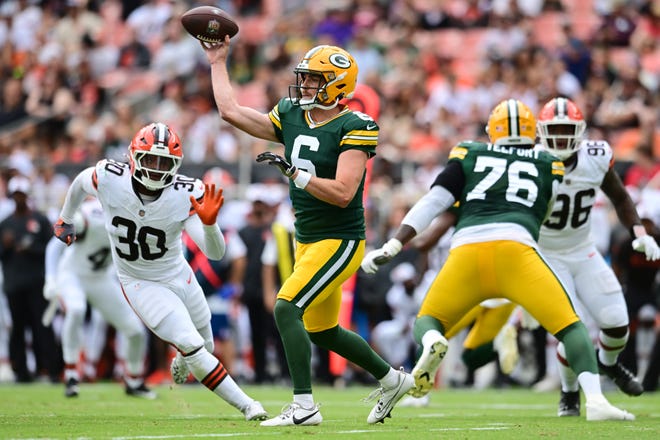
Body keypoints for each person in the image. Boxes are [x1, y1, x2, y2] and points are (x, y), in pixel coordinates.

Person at [362, 99, 635, 421]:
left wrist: (395, 242)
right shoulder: (549, 162)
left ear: (492, 131)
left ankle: (435, 341)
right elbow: (545, 213)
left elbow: (435, 201)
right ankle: (597, 402)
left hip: (467, 252)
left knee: (428, 321)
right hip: (517, 253)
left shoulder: (470, 154)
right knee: (571, 327)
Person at [202, 39, 414, 426]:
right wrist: (218, 61)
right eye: (304, 78)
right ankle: (392, 379)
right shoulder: (292, 114)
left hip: (341, 240)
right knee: (323, 331)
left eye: (314, 80)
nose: (304, 86)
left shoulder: (356, 125)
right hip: (307, 239)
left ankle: (304, 405)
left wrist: (294, 172)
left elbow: (343, 192)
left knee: (286, 307)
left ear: (336, 85)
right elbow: (229, 111)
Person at [52, 122, 267, 421]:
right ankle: (248, 405)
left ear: (175, 165)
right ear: (133, 157)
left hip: (178, 273)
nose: (155, 168)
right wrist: (66, 218)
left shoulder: (184, 191)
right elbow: (79, 182)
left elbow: (216, 253)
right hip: (140, 281)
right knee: (195, 346)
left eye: (163, 162)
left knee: (206, 345)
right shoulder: (110, 177)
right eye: (150, 159)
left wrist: (210, 225)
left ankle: (183, 355)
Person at [535, 97, 660, 416]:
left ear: (580, 131)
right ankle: (569, 392)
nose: (561, 137)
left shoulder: (595, 156)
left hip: (583, 249)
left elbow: (620, 197)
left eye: (567, 130)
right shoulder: (532, 161)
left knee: (617, 323)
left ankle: (608, 364)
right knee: (572, 327)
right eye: (555, 130)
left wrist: (639, 234)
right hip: (547, 254)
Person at [44, 197, 154, 398]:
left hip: (100, 278)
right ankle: (71, 375)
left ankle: (134, 380)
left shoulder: (138, 219)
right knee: (76, 310)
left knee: (135, 331)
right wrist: (50, 279)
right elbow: (55, 246)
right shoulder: (91, 214)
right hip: (72, 274)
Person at [0, 176, 61, 383]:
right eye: (15, 195)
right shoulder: (5, 223)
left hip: (37, 283)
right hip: (14, 284)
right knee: (17, 328)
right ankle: (21, 371)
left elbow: (51, 249)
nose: (18, 199)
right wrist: (6, 246)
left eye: (21, 195)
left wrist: (30, 249)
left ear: (27, 196)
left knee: (42, 326)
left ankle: (50, 369)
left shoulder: (40, 220)